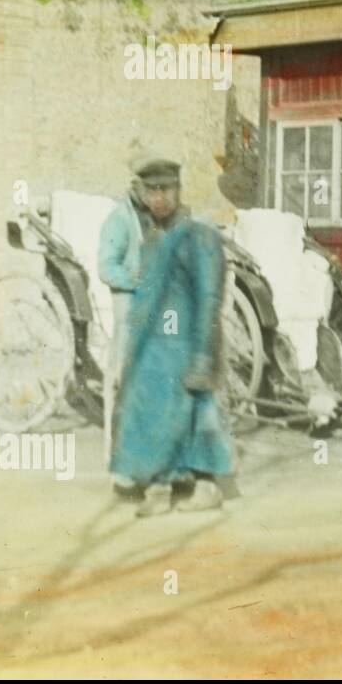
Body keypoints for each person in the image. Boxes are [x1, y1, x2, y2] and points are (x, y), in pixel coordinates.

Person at [109, 157, 234, 516]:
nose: (158, 198)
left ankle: (195, 487)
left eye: (165, 189)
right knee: (158, 413)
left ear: (178, 190)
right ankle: (162, 484)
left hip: (187, 342)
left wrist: (203, 355)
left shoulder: (198, 236)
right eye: (151, 190)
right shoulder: (152, 239)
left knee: (193, 415)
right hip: (155, 346)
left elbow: (209, 296)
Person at [97, 159, 156, 470]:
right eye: (147, 189)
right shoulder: (119, 221)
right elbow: (106, 267)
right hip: (127, 313)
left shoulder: (149, 219)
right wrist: (135, 280)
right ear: (134, 188)